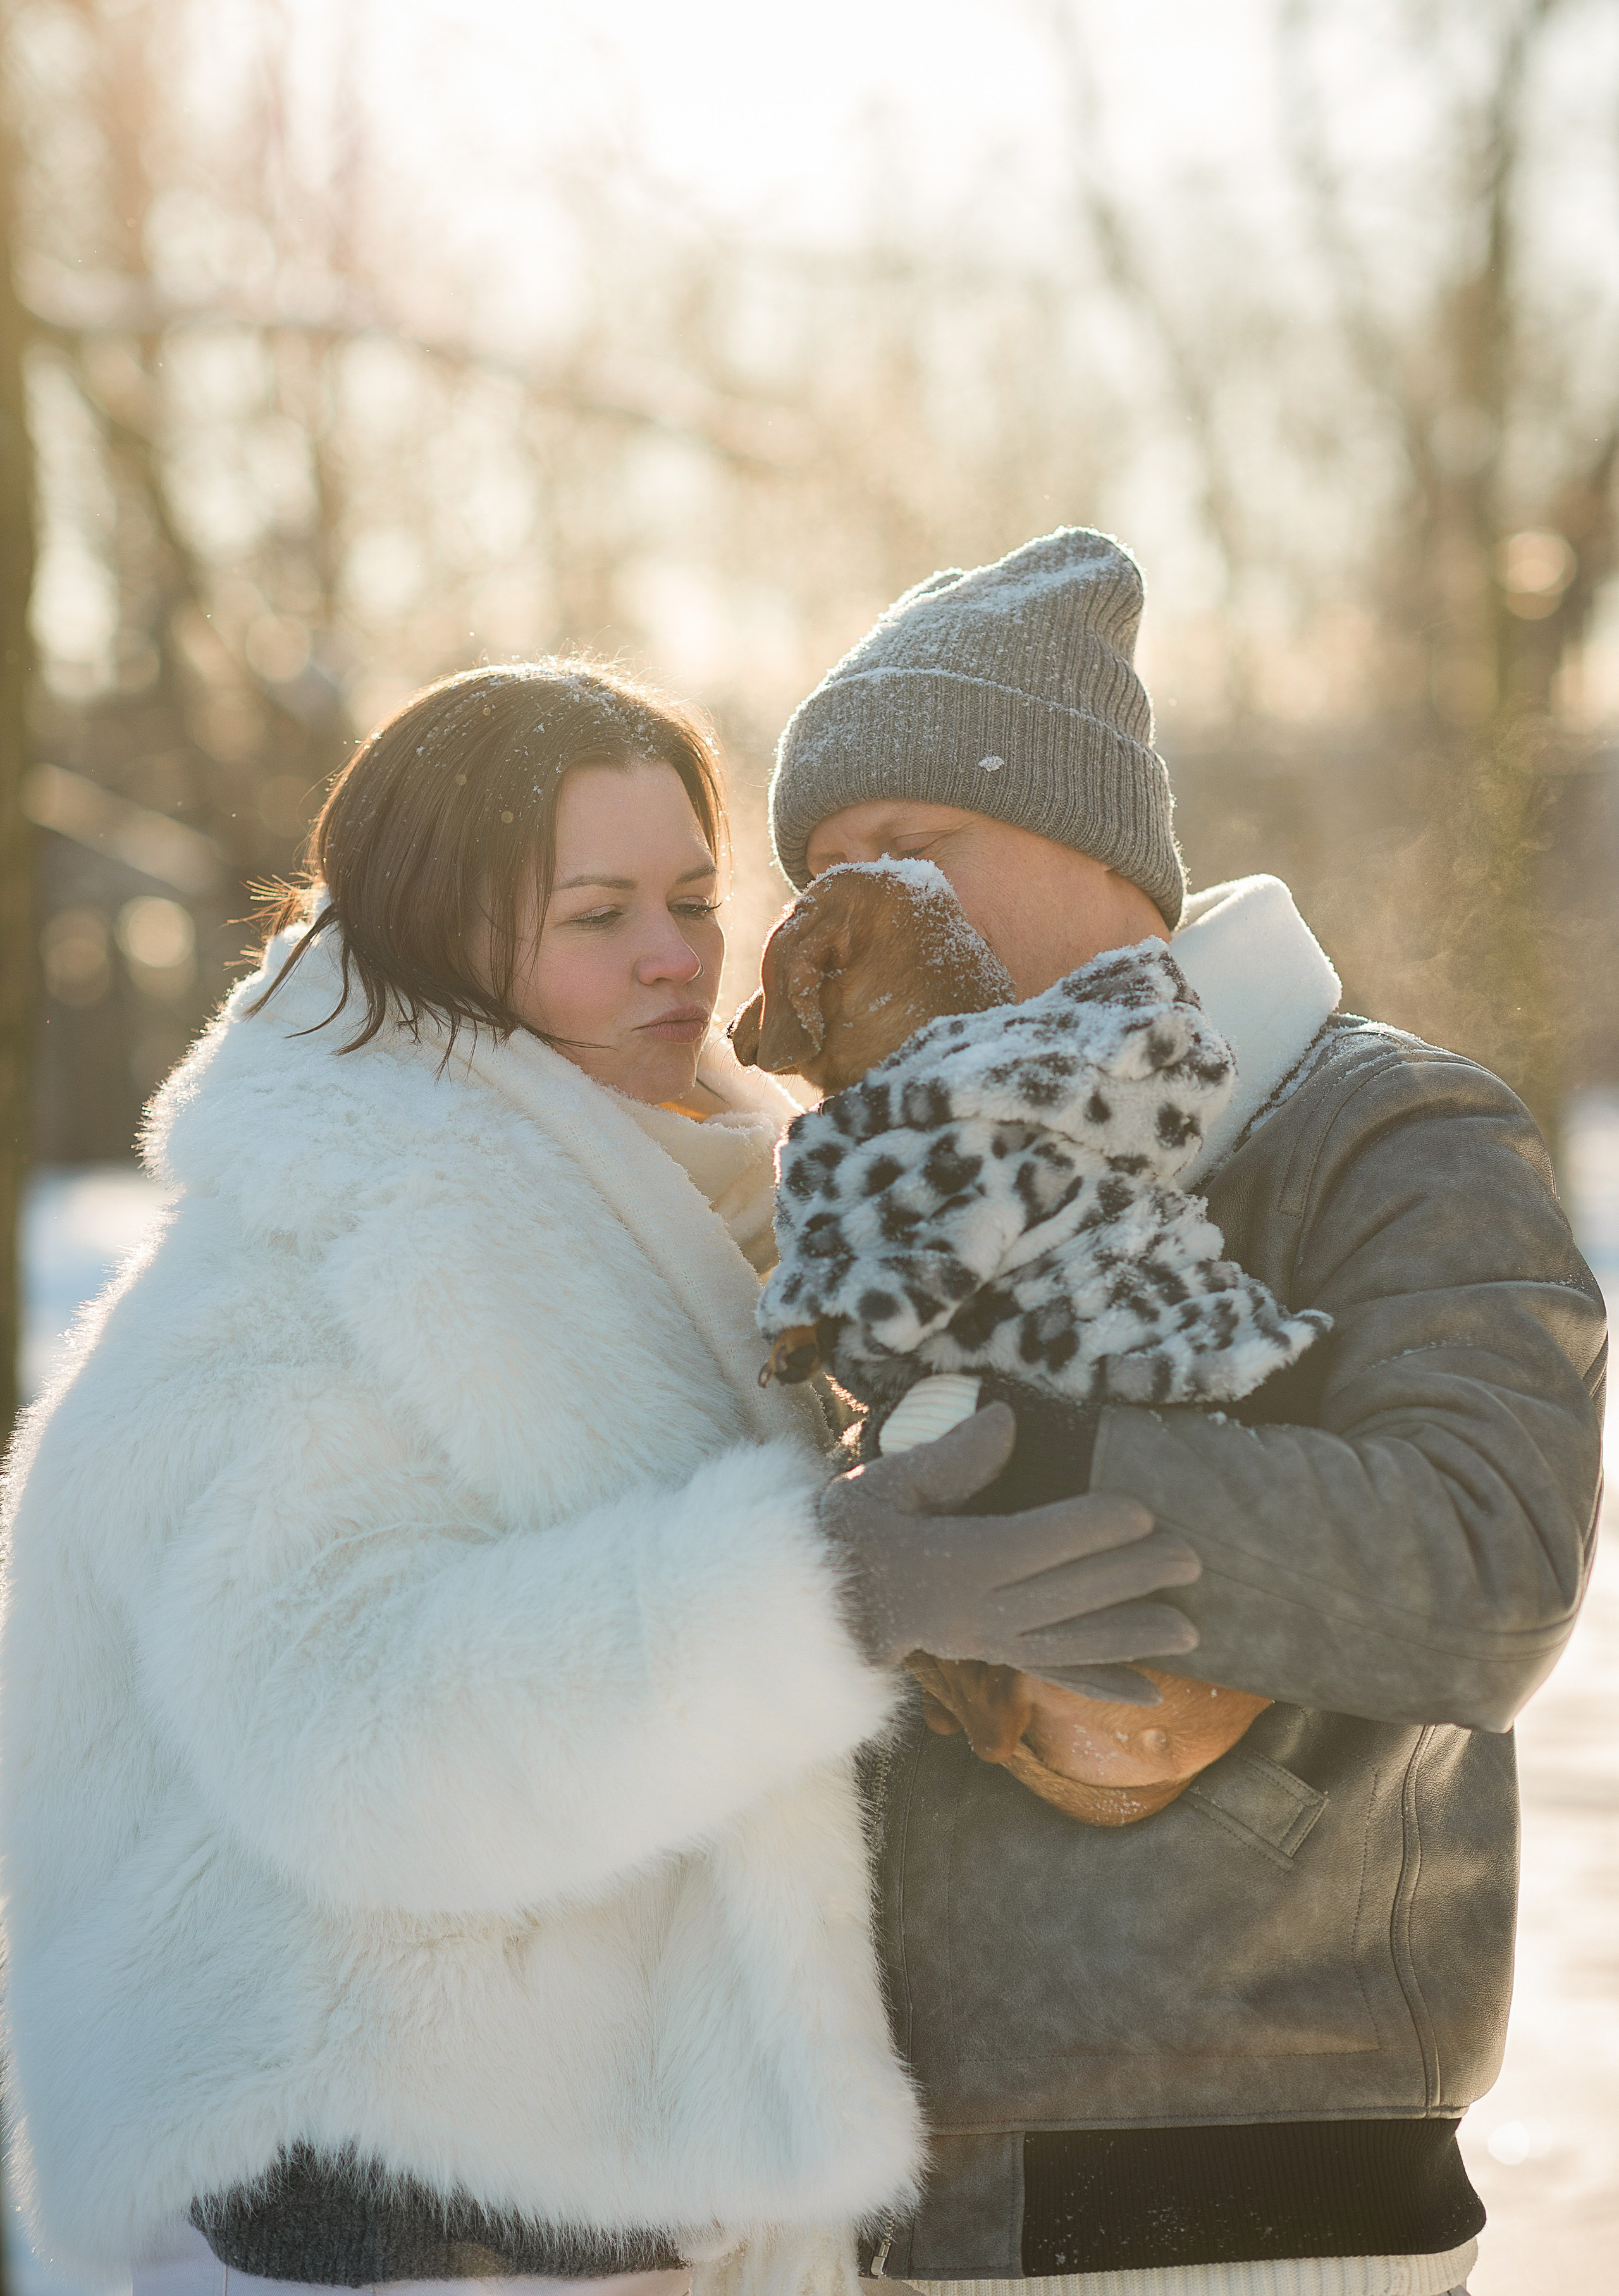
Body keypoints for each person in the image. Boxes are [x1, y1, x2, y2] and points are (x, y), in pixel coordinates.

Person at [0, 661, 1200, 2296]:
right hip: (387, 2204)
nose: (675, 954)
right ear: (439, 927)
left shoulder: (695, 1190)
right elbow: (358, 1726)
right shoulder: (311, 1254)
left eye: (697, 897)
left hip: (610, 2205)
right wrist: (817, 1593)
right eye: (598, 910)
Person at [766, 529, 1609, 2296]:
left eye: (916, 854)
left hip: (1248, 2199)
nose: (864, 923)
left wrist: (1042, 1462)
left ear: (1101, 847)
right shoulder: (873, 1199)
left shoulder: (1383, 1125)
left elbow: (1489, 1561)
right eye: (825, 879)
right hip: (903, 2201)